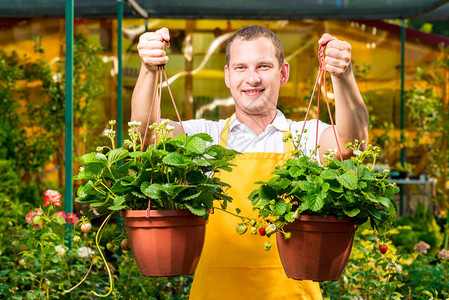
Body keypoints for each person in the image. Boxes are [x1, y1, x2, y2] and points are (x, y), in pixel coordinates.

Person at [131, 25, 368, 300]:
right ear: (227, 76)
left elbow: (353, 144)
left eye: (264, 66)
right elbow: (146, 134)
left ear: (283, 73)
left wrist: (343, 75)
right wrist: (148, 69)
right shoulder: (203, 138)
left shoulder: (306, 135)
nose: (252, 78)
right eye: (241, 67)